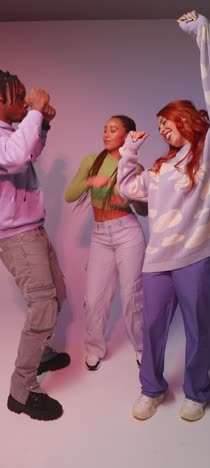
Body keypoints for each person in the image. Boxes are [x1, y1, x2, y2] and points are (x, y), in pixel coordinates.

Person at [117, 11, 210, 421]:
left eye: (168, 122)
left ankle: (197, 392)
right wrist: (128, 153)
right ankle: (151, 388)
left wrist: (202, 34)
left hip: (198, 257)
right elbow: (128, 190)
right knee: (151, 329)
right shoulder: (160, 169)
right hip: (158, 260)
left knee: (200, 331)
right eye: (159, 125)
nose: (163, 129)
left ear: (187, 120)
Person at [0, 71, 70, 421]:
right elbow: (12, 159)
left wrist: (40, 125)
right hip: (16, 237)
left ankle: (39, 353)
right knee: (43, 306)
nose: (26, 103)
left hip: (33, 229)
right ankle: (21, 389)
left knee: (57, 295)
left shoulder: (11, 133)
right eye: (19, 97)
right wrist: (36, 113)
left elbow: (26, 154)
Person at [64, 115, 147, 371]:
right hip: (100, 234)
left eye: (113, 130)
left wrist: (131, 197)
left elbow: (144, 211)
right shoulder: (93, 160)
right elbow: (70, 195)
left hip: (127, 233)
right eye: (105, 129)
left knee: (132, 295)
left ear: (127, 136)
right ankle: (94, 347)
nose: (106, 134)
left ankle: (143, 347)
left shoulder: (135, 167)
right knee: (94, 298)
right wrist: (90, 181)